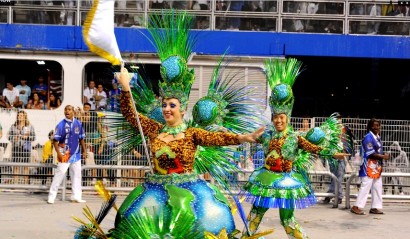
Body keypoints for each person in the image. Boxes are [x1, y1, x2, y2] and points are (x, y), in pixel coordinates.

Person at [241, 58, 349, 238]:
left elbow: (313, 148)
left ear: (287, 117)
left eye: (281, 117)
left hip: (286, 182)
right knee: (256, 214)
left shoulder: (294, 137)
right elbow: (249, 138)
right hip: (266, 180)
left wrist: (333, 153)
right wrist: (231, 134)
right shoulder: (266, 135)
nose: (278, 120)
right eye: (275, 117)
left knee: (288, 220)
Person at [47, 105, 87, 204]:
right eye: (65, 110)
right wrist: (58, 153)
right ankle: (52, 196)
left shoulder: (78, 123)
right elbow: (55, 141)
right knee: (59, 174)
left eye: (69, 110)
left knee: (76, 175)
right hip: (65, 154)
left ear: (73, 111)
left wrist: (84, 150)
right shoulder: (61, 125)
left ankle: (76, 196)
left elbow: (81, 138)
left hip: (76, 154)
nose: (67, 111)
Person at [350, 118, 390, 215]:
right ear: (369, 127)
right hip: (368, 166)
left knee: (377, 186)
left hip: (376, 166)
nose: (376, 127)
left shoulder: (377, 137)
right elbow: (370, 153)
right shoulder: (368, 138)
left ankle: (375, 207)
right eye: (374, 125)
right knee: (365, 186)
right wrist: (383, 157)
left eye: (378, 125)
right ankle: (356, 206)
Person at [322, 112, 355, 205]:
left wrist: (346, 154)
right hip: (332, 156)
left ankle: (337, 196)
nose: (338, 121)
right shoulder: (330, 131)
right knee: (334, 176)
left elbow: (348, 143)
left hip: (342, 156)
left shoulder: (344, 129)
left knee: (339, 176)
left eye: (339, 119)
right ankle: (332, 195)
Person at [7, 110, 36, 184]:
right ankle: (15, 184)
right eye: (18, 115)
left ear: (24, 117)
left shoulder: (30, 126)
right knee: (16, 166)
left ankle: (26, 184)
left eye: (21, 116)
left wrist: (28, 137)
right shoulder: (13, 126)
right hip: (16, 147)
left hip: (26, 148)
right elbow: (8, 136)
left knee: (26, 166)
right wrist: (14, 138)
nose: (19, 117)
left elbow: (34, 137)